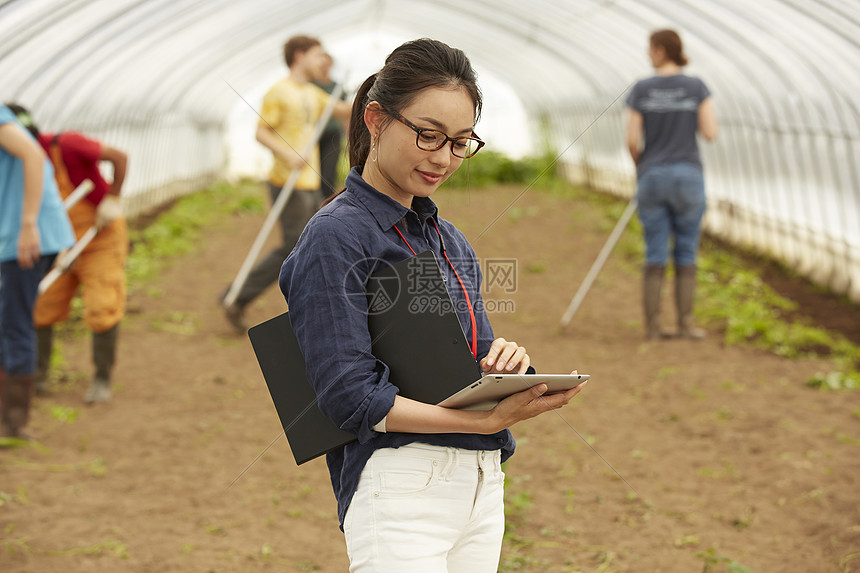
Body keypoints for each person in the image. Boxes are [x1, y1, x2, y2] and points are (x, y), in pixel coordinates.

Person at [279, 38, 587, 571]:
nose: (443, 158)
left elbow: (462, 364)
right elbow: (350, 399)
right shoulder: (338, 236)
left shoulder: (450, 241)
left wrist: (506, 366)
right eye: (428, 135)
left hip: (480, 487)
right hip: (399, 487)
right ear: (375, 120)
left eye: (461, 141)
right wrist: (484, 424)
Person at [221, 35, 352, 333]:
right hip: (288, 182)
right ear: (299, 55)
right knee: (295, 247)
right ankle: (237, 297)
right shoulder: (279, 92)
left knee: (304, 246)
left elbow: (344, 111)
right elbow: (261, 132)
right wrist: (288, 154)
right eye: (318, 55)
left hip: (308, 183)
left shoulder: (313, 93)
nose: (323, 61)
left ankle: (240, 297)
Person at [6, 105, 129, 403]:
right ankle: (39, 376)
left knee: (102, 305)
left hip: (100, 235)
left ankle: (101, 378)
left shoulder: (67, 145)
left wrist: (112, 197)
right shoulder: (14, 165)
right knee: (40, 306)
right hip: (59, 243)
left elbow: (119, 156)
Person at [625, 29, 718, 340]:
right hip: (688, 176)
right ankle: (686, 325)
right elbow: (710, 132)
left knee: (655, 252)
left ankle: (652, 328)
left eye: (650, 49)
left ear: (662, 51)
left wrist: (644, 168)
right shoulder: (696, 87)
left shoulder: (642, 88)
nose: (648, 55)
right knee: (687, 250)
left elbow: (632, 140)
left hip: (653, 175)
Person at [0, 105, 75, 438]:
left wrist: (28, 223)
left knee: (14, 323)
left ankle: (14, 424)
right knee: (9, 320)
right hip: (18, 235)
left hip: (26, 239)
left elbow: (33, 155)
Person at [312, 52, 348, 199]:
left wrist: (348, 136)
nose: (324, 67)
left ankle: (325, 203)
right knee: (314, 172)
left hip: (332, 135)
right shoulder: (311, 86)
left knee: (329, 172)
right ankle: (313, 204)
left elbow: (345, 114)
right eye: (321, 63)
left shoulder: (337, 88)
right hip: (313, 136)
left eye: (327, 64)